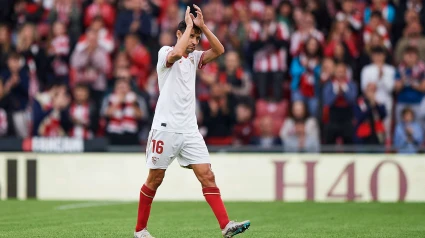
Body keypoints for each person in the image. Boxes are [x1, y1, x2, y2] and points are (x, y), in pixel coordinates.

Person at [134, 5, 250, 238]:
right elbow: (176, 53)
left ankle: (226, 225)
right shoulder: (165, 52)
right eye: (192, 36)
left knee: (207, 174)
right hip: (165, 129)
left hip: (189, 130)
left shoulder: (195, 59)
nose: (195, 41)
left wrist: (203, 27)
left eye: (197, 38)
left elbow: (219, 49)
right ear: (179, 34)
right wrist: (188, 26)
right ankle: (140, 230)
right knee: (155, 179)